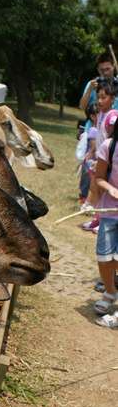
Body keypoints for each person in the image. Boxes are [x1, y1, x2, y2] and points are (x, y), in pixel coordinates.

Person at [80, 79, 117, 227]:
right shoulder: (100, 114)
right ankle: (99, 218)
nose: (100, 101)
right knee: (95, 188)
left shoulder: (112, 116)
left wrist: (103, 159)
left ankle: (104, 220)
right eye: (98, 97)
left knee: (100, 188)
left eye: (104, 97)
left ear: (113, 99)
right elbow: (100, 136)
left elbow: (112, 140)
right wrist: (93, 152)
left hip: (107, 160)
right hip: (99, 159)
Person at [92, 112, 118, 327]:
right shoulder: (110, 145)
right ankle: (110, 291)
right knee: (104, 257)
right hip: (110, 212)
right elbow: (99, 177)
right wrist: (110, 189)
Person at [79, 51, 118, 118]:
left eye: (108, 69)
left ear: (113, 66)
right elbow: (82, 106)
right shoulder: (92, 84)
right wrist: (90, 89)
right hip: (95, 123)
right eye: (102, 70)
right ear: (98, 69)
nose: (105, 73)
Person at [79, 103, 98, 205]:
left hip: (93, 161)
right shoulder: (93, 131)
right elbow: (93, 148)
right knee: (88, 179)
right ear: (93, 116)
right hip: (90, 162)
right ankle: (84, 197)